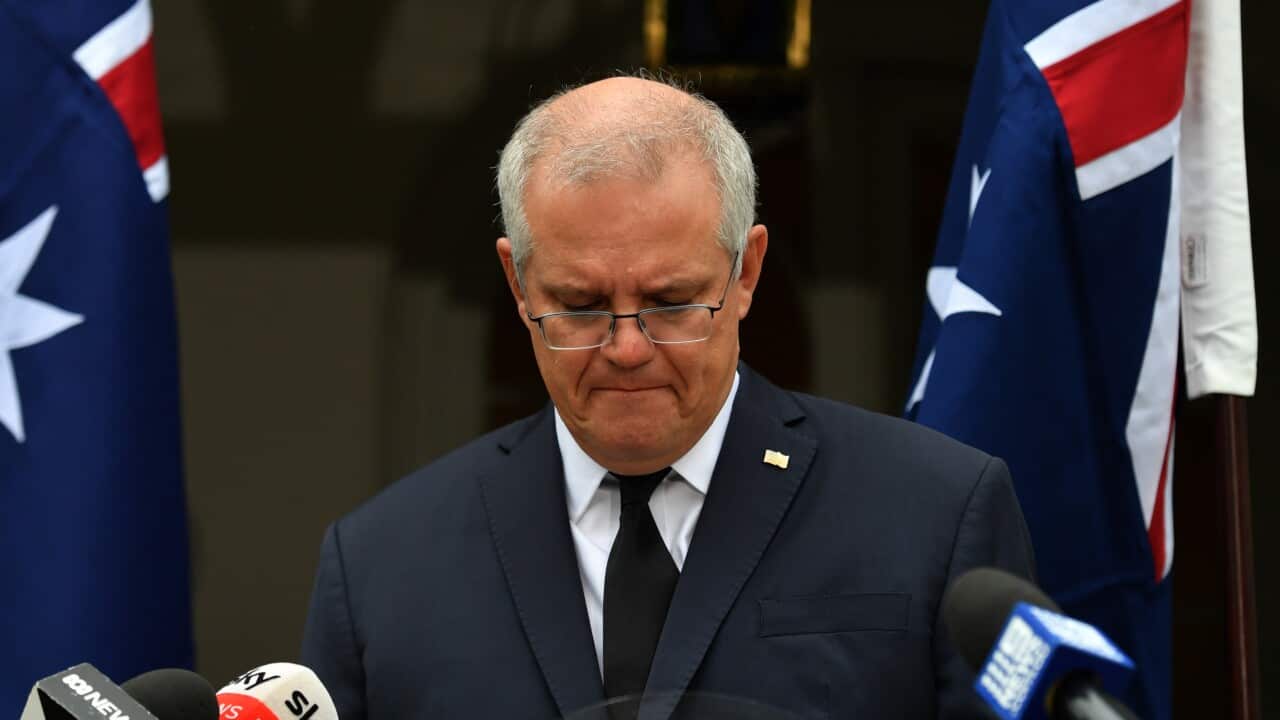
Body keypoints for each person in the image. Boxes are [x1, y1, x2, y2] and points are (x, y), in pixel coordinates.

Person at [301, 76, 1035, 719]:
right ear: (519, 286)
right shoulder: (380, 564)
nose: (626, 349)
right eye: (580, 306)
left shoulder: (934, 514)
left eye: (672, 301)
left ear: (746, 273)